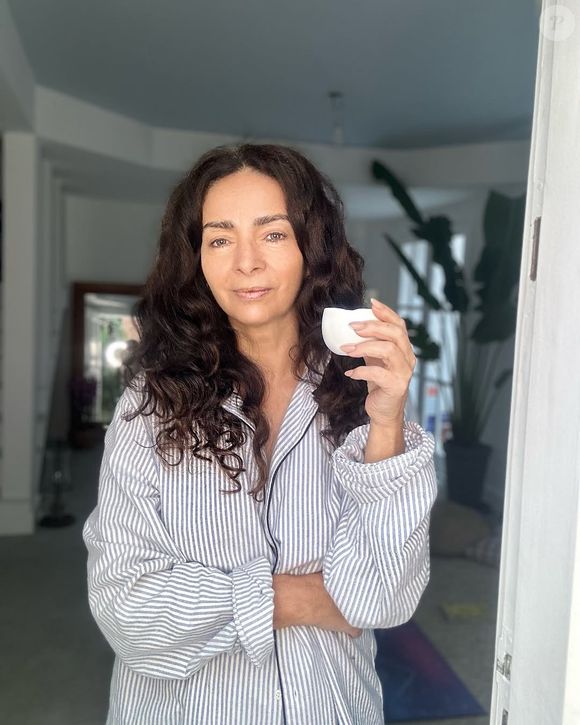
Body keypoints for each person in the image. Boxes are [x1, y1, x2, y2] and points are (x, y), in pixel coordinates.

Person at [82, 143, 438, 725]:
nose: (246, 262)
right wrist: (294, 598)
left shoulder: (363, 394)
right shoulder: (150, 407)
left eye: (272, 234)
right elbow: (126, 609)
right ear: (197, 258)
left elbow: (382, 597)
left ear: (310, 248)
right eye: (220, 239)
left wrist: (388, 420)